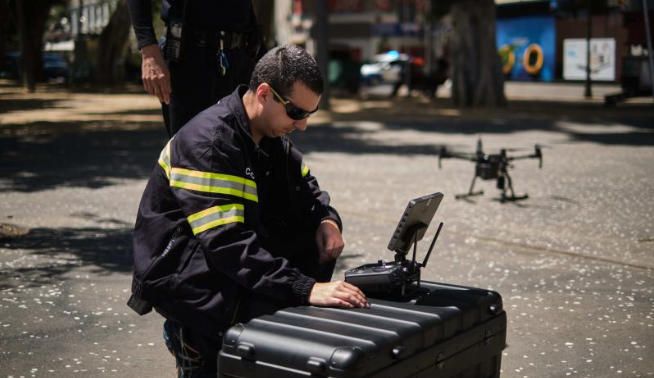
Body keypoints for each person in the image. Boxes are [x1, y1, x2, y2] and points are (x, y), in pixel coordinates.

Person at [128, 45, 369, 377]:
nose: (302, 127)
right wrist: (304, 288)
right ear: (265, 94)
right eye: (297, 113)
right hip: (193, 286)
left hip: (226, 277)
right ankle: (190, 342)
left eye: (309, 115)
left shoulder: (268, 135)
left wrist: (326, 220)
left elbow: (307, 190)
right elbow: (228, 245)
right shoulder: (211, 144)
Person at [127, 0, 263, 137]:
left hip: (240, 55)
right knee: (191, 150)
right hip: (188, 59)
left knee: (242, 149)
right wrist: (149, 50)